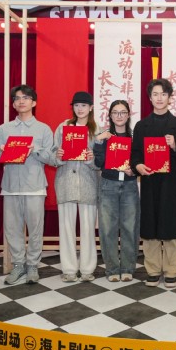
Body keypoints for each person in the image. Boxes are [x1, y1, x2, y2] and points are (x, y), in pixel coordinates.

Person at [131, 79, 176, 288]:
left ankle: (172, 270)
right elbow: (135, 154)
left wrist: (174, 145)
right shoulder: (141, 126)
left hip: (170, 183)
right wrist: (138, 166)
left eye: (163, 94)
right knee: (150, 225)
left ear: (169, 98)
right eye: (155, 94)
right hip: (149, 182)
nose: (159, 98)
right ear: (150, 98)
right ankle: (153, 270)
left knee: (170, 225)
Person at [0, 85, 54, 285]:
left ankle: (33, 265)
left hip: (35, 186)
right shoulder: (4, 129)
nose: (21, 101)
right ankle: (18, 264)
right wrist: (2, 150)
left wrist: (34, 149)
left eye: (26, 98)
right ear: (13, 104)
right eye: (17, 98)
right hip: (10, 186)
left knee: (35, 228)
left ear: (33, 102)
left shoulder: (43, 129)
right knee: (12, 229)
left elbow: (51, 157)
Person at [53, 91, 100, 282]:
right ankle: (69, 269)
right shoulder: (63, 127)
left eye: (84, 105)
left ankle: (87, 269)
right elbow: (53, 154)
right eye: (76, 105)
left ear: (91, 107)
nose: (80, 109)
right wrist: (59, 156)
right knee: (66, 227)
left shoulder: (97, 130)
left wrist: (91, 159)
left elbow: (102, 162)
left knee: (88, 228)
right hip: (66, 182)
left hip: (88, 183)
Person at [93, 100, 139, 282]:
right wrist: (98, 142)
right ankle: (112, 269)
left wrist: (133, 170)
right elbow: (98, 163)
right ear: (110, 116)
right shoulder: (104, 136)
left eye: (123, 112)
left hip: (129, 185)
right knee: (107, 229)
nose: (119, 116)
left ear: (128, 115)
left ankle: (127, 267)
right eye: (115, 112)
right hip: (108, 184)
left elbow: (139, 161)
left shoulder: (135, 137)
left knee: (130, 227)